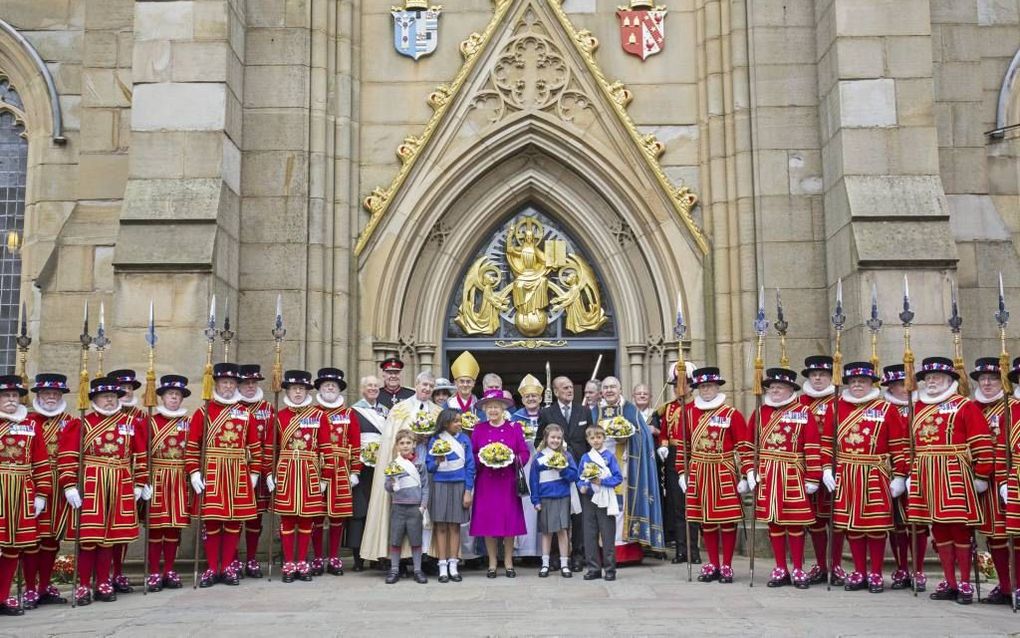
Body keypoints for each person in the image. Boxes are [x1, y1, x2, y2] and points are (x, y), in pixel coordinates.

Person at [907, 357, 993, 605]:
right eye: (928, 378)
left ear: (949, 381)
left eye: (937, 378)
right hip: (926, 473)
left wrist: (981, 474)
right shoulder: (919, 407)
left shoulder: (964, 406)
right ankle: (950, 581)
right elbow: (912, 445)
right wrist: (913, 473)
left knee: (959, 529)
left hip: (954, 473)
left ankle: (965, 581)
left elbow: (981, 442)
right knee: (939, 529)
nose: (931, 382)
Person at [59, 376, 149, 605]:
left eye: (112, 397)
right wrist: (69, 484)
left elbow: (140, 456)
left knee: (110, 537)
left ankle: (103, 581)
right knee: (89, 537)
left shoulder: (130, 424)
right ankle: (82, 583)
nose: (109, 401)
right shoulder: (81, 423)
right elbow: (68, 457)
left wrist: (140, 482)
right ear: (95, 399)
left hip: (120, 482)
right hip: (92, 482)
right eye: (105, 397)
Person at [822, 362, 908, 594]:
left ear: (872, 383)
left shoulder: (886, 409)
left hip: (875, 473)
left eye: (862, 381)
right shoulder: (835, 408)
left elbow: (899, 445)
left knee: (877, 526)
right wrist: (826, 469)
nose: (857, 385)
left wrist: (899, 475)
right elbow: (827, 442)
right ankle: (859, 571)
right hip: (846, 473)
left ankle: (876, 572)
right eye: (853, 381)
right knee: (852, 527)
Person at [739, 367, 821, 589]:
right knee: (774, 523)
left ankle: (797, 568)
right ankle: (780, 568)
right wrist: (749, 470)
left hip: (793, 473)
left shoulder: (803, 412)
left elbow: (813, 446)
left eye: (780, 387)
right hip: (767, 473)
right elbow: (748, 446)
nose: (774, 391)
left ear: (789, 389)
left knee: (795, 523)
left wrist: (813, 477)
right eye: (772, 387)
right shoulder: (759, 412)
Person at [185, 363, 262, 588]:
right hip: (213, 471)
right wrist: (194, 472)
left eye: (231, 383)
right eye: (224, 382)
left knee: (233, 522)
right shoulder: (203, 411)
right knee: (212, 523)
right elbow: (192, 446)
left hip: (238, 471)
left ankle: (227, 566)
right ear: (215, 384)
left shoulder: (246, 413)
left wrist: (255, 472)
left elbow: (255, 446)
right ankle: (212, 567)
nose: (228, 386)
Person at [361, 372, 440, 563]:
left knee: (426, 509)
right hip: (404, 467)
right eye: (424, 385)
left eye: (431, 386)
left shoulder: (438, 411)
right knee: (404, 511)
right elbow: (391, 438)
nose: (427, 389)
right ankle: (402, 560)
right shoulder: (400, 409)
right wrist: (412, 439)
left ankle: (427, 556)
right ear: (416, 384)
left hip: (428, 466)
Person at [678, 366, 745, 584]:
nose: (707, 390)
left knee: (727, 521)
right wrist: (681, 472)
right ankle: (713, 563)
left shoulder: (731, 414)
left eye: (710, 386)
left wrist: (745, 475)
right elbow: (683, 446)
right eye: (703, 386)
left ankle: (727, 565)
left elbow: (743, 446)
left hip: (723, 470)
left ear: (717, 387)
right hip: (698, 471)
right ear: (697, 389)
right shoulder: (688, 413)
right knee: (705, 522)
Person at [592, 376, 665, 564]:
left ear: (620, 389)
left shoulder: (630, 409)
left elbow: (644, 437)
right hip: (600, 467)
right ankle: (605, 552)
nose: (609, 390)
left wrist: (627, 437)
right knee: (604, 507)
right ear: (601, 391)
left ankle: (625, 553)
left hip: (624, 467)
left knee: (621, 508)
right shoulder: (595, 411)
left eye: (613, 387)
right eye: (606, 387)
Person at [267, 370, 331, 583]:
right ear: (287, 391)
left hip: (309, 472)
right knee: (286, 520)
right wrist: (269, 472)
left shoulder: (318, 416)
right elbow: (271, 448)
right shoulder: (279, 416)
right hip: (286, 472)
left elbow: (326, 448)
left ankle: (302, 562)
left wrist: (325, 477)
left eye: (301, 389)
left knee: (306, 519)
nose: (297, 393)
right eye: (294, 389)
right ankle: (288, 563)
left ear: (306, 391)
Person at [22, 373, 75, 608]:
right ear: (39, 396)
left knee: (52, 539)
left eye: (55, 394)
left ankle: (44, 586)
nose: (51, 398)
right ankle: (30, 588)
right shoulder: (28, 420)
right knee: (32, 539)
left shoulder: (71, 420)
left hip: (62, 485)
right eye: (46, 394)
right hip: (32, 483)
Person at [0, 375, 50, 615]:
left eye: (14, 396)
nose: (11, 400)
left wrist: (41, 493)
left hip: (22, 488)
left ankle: (3, 596)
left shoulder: (31, 425)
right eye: (5, 396)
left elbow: (40, 461)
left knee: (14, 546)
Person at [471, 388, 529, 578]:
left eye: (496, 407)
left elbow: (524, 452)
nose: (493, 410)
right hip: (486, 481)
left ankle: (509, 562)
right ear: (485, 409)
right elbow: (472, 454)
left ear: (504, 408)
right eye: (489, 407)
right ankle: (492, 562)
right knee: (488, 522)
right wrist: (484, 459)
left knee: (509, 522)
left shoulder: (515, 428)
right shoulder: (479, 429)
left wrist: (511, 459)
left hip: (508, 481)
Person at [971, 357, 1015, 604]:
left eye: (993, 378)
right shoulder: (973, 407)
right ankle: (1006, 585)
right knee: (994, 536)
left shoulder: (1011, 406)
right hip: (983, 482)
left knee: (1015, 535)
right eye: (982, 379)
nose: (986, 383)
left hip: (1008, 478)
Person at [798, 355, 844, 586]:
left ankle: (835, 564)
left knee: (835, 520)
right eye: (814, 375)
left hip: (836, 468)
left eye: (823, 375)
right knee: (814, 521)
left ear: (831, 377)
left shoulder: (842, 401)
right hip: (806, 469)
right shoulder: (799, 403)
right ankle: (820, 564)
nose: (817, 378)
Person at [144, 375, 193, 592]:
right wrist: (143, 480)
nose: (174, 398)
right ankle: (154, 571)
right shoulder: (150, 422)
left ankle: (169, 570)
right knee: (156, 528)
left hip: (179, 478)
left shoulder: (188, 423)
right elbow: (141, 453)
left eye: (178, 395)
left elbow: (194, 451)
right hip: (157, 478)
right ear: (162, 397)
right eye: (170, 394)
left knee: (174, 528)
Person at [537, 375, 589, 571]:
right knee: (555, 514)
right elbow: (538, 442)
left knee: (578, 515)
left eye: (570, 387)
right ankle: (555, 556)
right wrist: (551, 459)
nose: (569, 390)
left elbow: (589, 441)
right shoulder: (547, 412)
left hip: (578, 472)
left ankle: (577, 555)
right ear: (555, 391)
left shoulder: (583, 411)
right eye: (564, 388)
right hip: (554, 475)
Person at [314, 367, 361, 576]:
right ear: (320, 389)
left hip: (341, 469)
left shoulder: (348, 413)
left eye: (333, 385)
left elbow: (356, 443)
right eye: (326, 385)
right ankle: (316, 557)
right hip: (316, 468)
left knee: (337, 517)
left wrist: (355, 471)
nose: (330, 388)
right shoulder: (313, 413)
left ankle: (333, 557)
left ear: (339, 389)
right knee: (315, 515)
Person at [107, 368, 149, 594]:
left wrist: (142, 482)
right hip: (103, 482)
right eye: (121, 389)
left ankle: (118, 571)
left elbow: (145, 451)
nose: (126, 392)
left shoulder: (142, 417)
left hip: (131, 483)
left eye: (129, 388)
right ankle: (103, 573)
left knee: (123, 530)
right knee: (103, 530)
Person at [656, 362, 699, 564]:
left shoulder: (697, 407)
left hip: (692, 456)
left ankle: (694, 550)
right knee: (677, 506)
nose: (679, 388)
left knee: (693, 506)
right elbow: (664, 430)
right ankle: (682, 550)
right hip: (673, 456)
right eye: (675, 385)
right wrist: (663, 445)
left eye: (683, 384)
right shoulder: (669, 408)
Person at [425, 408, 475, 583]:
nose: (459, 424)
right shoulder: (435, 440)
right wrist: (437, 461)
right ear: (446, 423)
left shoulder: (465, 440)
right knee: (441, 526)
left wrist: (468, 490)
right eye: (456, 421)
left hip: (459, 485)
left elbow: (470, 466)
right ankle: (442, 565)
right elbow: (429, 466)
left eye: (460, 420)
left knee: (455, 526)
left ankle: (454, 565)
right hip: (439, 484)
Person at [881, 363, 917, 590]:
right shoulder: (883, 409)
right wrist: (897, 474)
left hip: (921, 472)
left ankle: (919, 569)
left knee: (918, 524)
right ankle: (902, 566)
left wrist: (910, 472)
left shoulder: (924, 406)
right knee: (896, 523)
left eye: (905, 384)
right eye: (897, 385)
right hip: (888, 473)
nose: (903, 389)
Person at [237, 364, 274, 579]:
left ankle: (251, 559)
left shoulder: (268, 409)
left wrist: (268, 470)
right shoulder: (231, 407)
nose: (250, 387)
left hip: (258, 472)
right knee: (232, 517)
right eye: (246, 383)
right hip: (233, 469)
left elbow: (272, 442)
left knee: (255, 518)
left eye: (254, 383)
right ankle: (231, 558)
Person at [348, 375, 387, 570]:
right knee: (360, 511)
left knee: (378, 510)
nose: (372, 388)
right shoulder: (353, 411)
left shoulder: (385, 411)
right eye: (369, 385)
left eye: (375, 385)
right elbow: (350, 440)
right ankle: (358, 558)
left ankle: (377, 555)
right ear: (362, 389)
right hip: (361, 467)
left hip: (380, 466)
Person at [529, 423, 578, 578]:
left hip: (562, 496)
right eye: (552, 437)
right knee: (546, 531)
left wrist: (562, 469)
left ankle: (564, 564)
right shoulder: (539, 458)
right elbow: (534, 480)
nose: (555, 441)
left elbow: (574, 476)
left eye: (558, 438)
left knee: (563, 531)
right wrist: (535, 500)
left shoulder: (566, 456)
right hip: (545, 497)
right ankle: (545, 564)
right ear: (546, 438)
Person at [577, 424, 623, 581]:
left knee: (607, 534)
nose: (595, 440)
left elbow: (617, 478)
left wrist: (601, 481)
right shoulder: (585, 457)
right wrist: (582, 486)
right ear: (587, 440)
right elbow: (580, 477)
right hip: (589, 499)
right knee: (589, 534)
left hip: (606, 498)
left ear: (603, 438)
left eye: (598, 437)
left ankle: (610, 569)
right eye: (592, 438)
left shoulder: (609, 456)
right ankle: (593, 568)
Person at [384, 428, 429, 584]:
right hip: (398, 507)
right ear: (397, 446)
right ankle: (394, 570)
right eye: (401, 443)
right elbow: (387, 486)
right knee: (395, 540)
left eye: (408, 443)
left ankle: (417, 570)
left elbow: (425, 487)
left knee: (416, 540)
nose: (405, 446)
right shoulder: (394, 464)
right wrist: (392, 484)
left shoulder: (420, 464)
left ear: (414, 444)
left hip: (415, 508)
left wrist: (422, 507)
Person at [511, 374, 543, 558]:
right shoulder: (515, 418)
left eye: (534, 396)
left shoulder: (547, 414)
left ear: (540, 398)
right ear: (522, 399)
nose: (531, 399)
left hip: (542, 465)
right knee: (525, 505)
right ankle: (523, 551)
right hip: (523, 466)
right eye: (527, 396)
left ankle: (541, 552)